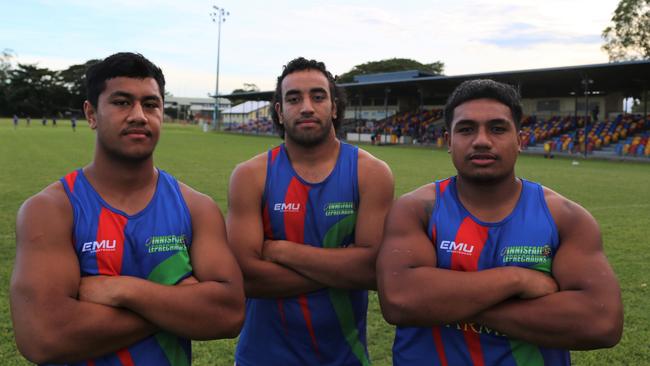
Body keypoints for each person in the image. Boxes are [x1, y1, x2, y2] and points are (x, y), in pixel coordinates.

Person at [10, 52, 245, 365]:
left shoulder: (197, 207)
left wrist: (122, 291)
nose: (139, 115)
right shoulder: (50, 210)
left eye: (151, 104)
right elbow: (44, 337)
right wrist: (180, 303)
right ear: (91, 114)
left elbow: (228, 314)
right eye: (122, 102)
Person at [377, 79, 623, 365]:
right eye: (466, 129)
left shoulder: (566, 218)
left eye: (497, 128)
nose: (481, 140)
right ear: (448, 140)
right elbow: (400, 300)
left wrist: (443, 303)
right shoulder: (417, 209)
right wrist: (516, 279)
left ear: (519, 140)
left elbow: (600, 322)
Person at [227, 57, 394, 366]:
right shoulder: (250, 175)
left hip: (345, 357)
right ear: (279, 111)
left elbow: (372, 269)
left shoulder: (371, 173)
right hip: (263, 357)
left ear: (334, 107)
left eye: (318, 96)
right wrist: (343, 269)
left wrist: (281, 251)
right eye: (293, 98)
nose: (306, 107)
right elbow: (246, 277)